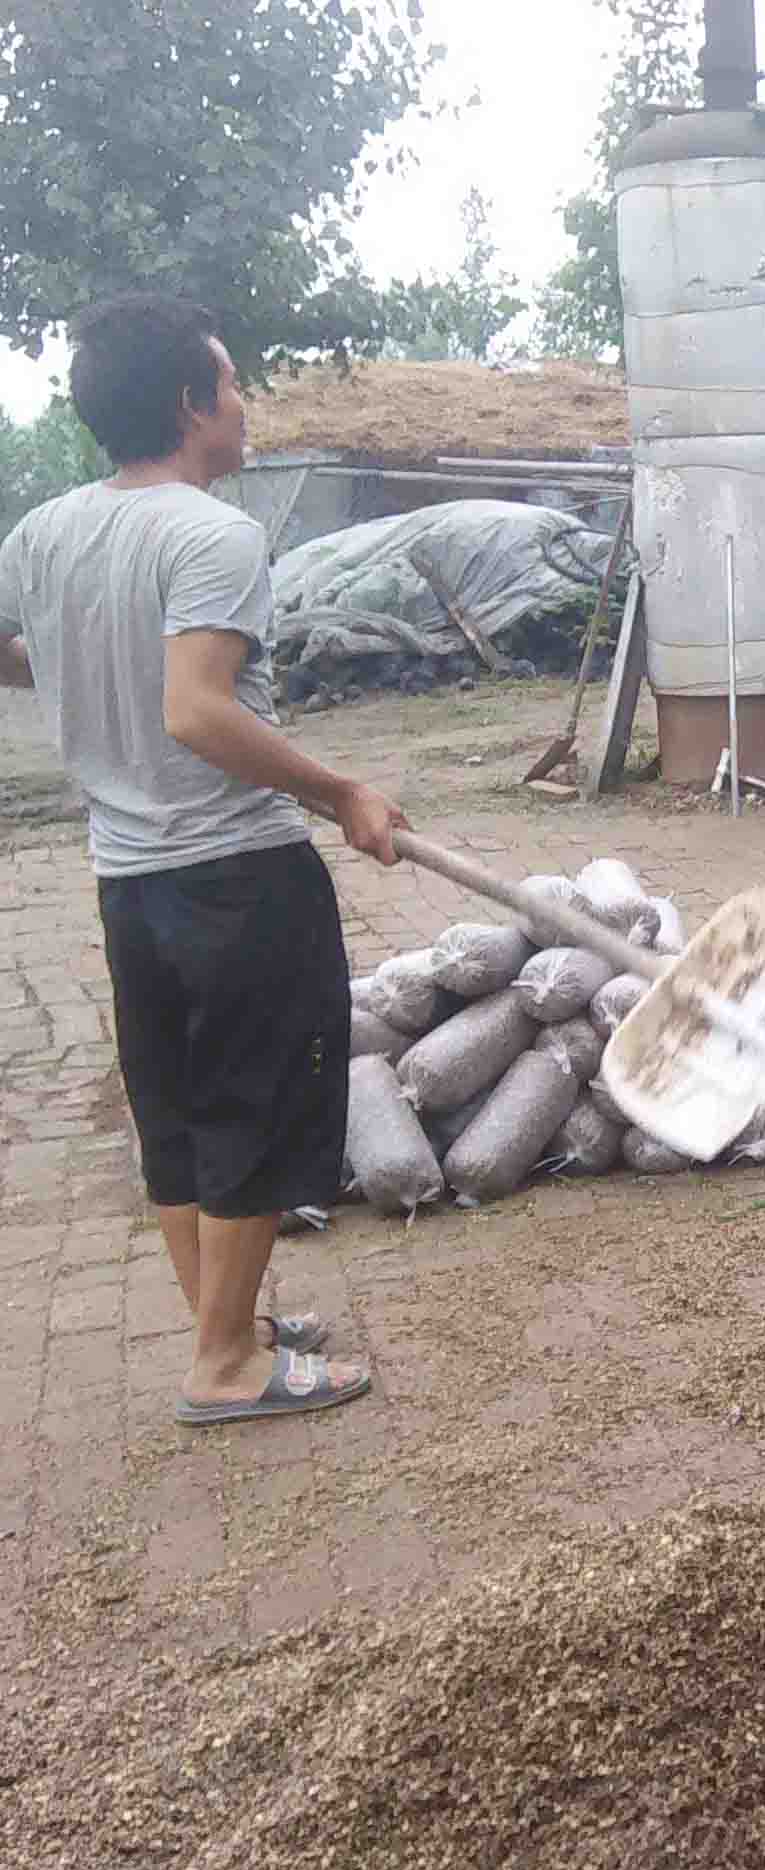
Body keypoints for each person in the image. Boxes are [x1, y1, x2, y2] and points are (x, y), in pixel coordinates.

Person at [0, 293, 405, 1424]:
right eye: (230, 384)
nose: (242, 404)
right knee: (253, 1109)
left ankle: (225, 1331)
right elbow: (195, 711)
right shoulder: (213, 533)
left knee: (177, 1114)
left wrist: (80, 672)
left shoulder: (42, 532)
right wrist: (341, 792)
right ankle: (227, 1368)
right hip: (235, 875)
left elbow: (19, 652)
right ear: (190, 404)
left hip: (129, 881)